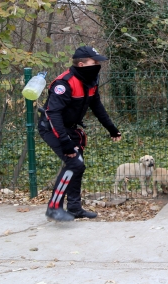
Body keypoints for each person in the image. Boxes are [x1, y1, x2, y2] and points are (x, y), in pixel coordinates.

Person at [39, 46, 122, 222]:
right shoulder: (64, 84)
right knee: (75, 163)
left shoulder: (91, 81)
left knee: (77, 165)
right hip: (52, 128)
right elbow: (52, 114)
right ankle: (54, 208)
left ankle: (75, 208)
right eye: (95, 62)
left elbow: (97, 106)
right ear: (82, 64)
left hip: (70, 128)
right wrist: (65, 141)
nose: (98, 64)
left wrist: (112, 128)